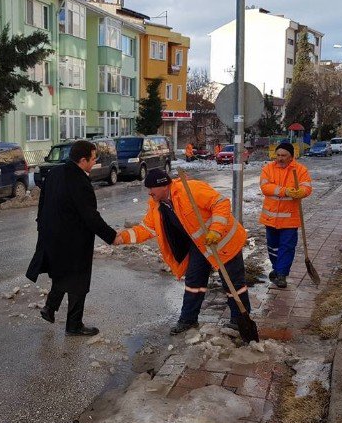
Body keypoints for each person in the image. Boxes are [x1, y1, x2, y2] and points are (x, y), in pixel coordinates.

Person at [116, 169, 251, 335]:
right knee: (194, 281)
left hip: (224, 241)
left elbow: (220, 203)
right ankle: (188, 319)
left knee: (233, 283)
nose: (149, 192)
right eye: (148, 189)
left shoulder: (191, 189)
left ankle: (239, 321)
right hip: (199, 245)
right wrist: (122, 238)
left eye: (152, 188)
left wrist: (216, 230)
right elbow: (147, 228)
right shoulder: (157, 205)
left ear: (164, 186)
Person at [26, 140, 120, 336]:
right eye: (94, 159)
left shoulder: (55, 173)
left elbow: (42, 203)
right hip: (74, 240)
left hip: (54, 237)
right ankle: (74, 325)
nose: (95, 162)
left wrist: (42, 227)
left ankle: (50, 308)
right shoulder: (80, 181)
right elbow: (90, 216)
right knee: (78, 283)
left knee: (62, 274)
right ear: (83, 160)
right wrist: (111, 236)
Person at [259, 143, 312, 289]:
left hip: (290, 218)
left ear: (291, 157)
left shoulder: (300, 170)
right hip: (270, 218)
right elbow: (265, 187)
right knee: (273, 247)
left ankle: (282, 274)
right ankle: (276, 269)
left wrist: (301, 192)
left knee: (287, 247)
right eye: (278, 155)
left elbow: (307, 187)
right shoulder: (268, 168)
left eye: (284, 156)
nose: (280, 158)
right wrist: (285, 191)